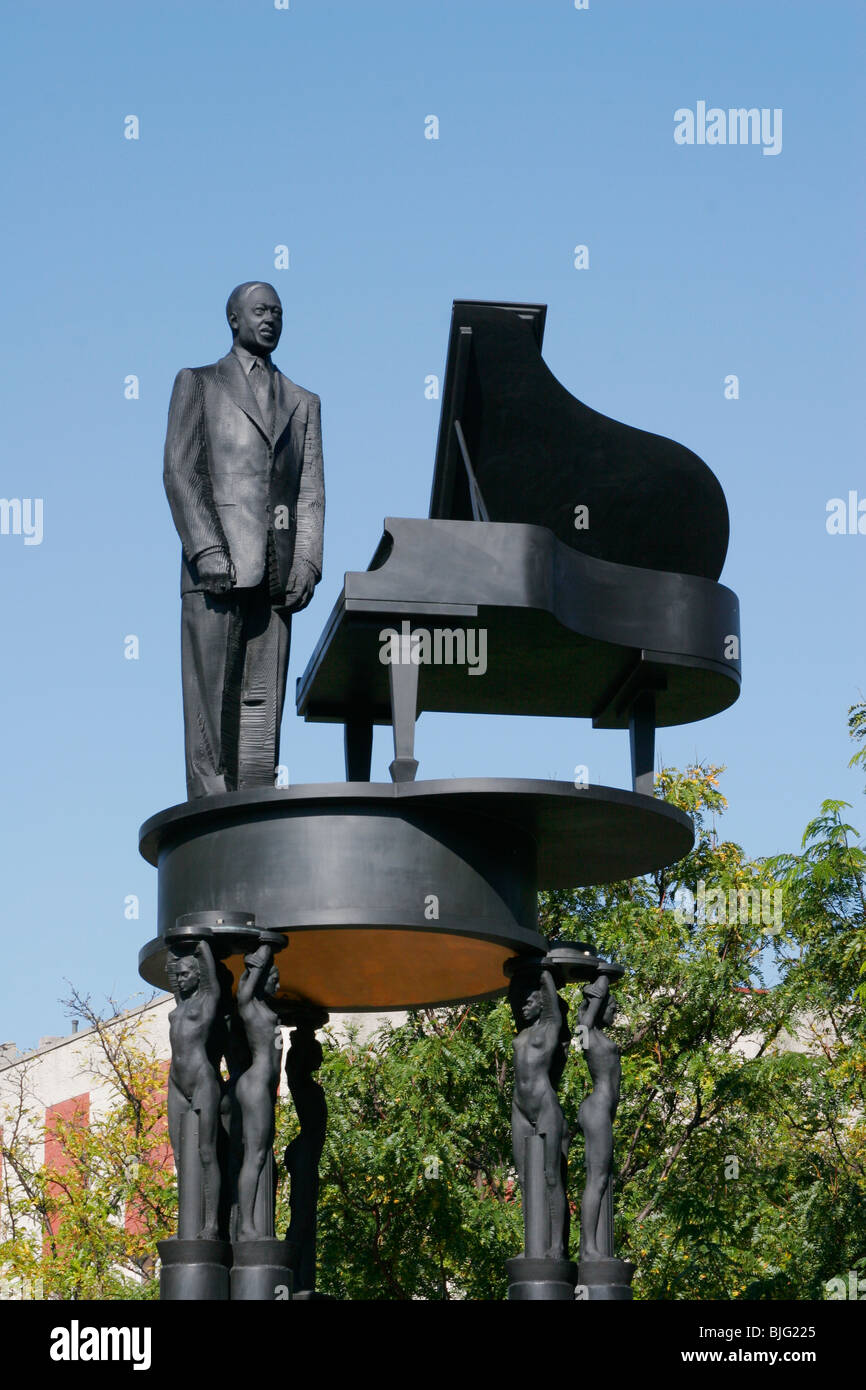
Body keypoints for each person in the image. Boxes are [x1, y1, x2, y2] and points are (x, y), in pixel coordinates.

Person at [163, 282, 325, 798]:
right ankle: (211, 805)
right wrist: (207, 549)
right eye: (260, 311)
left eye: (278, 312)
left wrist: (308, 561)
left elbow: (311, 492)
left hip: (276, 573)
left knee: (262, 705)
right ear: (234, 319)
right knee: (210, 701)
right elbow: (179, 470)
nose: (271, 320)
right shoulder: (198, 382)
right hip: (215, 566)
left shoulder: (303, 402)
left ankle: (253, 804)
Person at [510, 965, 571, 1259]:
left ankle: (557, 1246)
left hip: (545, 1105)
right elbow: (513, 992)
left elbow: (546, 982)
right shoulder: (521, 1032)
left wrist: (538, 963)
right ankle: (532, 1245)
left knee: (550, 1177)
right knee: (524, 1178)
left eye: (530, 1001)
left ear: (543, 1004)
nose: (523, 1006)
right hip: (520, 1108)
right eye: (521, 1002)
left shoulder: (550, 1025)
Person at [166, 940, 222, 1240]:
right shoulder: (180, 1007)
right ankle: (184, 1226)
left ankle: (211, 1223)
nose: (181, 978)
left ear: (197, 975)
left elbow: (212, 980)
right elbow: (170, 971)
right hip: (176, 1082)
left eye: (186, 973)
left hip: (202, 1081)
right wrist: (172, 951)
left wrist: (200, 943)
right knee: (179, 1156)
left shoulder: (207, 1001)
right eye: (179, 974)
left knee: (206, 1151)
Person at [234, 943, 283, 1240]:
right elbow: (243, 994)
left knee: (260, 1155)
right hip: (255, 1085)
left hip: (262, 1087)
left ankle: (249, 1223)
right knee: (255, 1155)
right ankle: (246, 1225)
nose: (278, 983)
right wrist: (261, 957)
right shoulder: (251, 1007)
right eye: (273, 978)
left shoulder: (266, 1009)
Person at [576, 973, 620, 1261]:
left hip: (601, 1111)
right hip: (596, 1109)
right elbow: (583, 1024)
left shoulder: (601, 1036)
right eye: (612, 1006)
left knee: (603, 1179)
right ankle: (588, 1248)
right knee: (597, 1179)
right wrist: (602, 979)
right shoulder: (588, 1033)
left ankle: (594, 1247)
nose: (616, 1011)